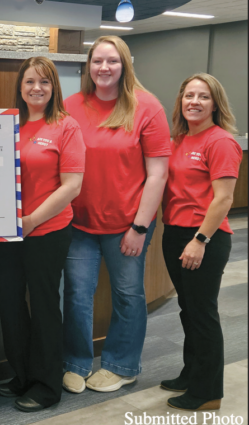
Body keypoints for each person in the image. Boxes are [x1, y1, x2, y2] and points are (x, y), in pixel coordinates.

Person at [62, 35, 171, 393]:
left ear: (125, 65)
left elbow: (158, 174)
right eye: (97, 61)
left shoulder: (147, 107)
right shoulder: (71, 105)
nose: (104, 67)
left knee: (127, 294)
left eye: (112, 61)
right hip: (79, 222)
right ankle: (75, 362)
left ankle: (122, 365)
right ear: (88, 66)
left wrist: (139, 227)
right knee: (76, 294)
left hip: (128, 223)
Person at [0, 57, 85, 412]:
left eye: (44, 82)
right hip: (8, 233)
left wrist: (31, 220)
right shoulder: (7, 124)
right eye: (30, 81)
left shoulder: (66, 126)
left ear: (54, 88)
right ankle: (23, 375)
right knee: (11, 305)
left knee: (45, 306)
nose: (36, 88)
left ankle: (47, 385)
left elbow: (72, 186)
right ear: (20, 86)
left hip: (47, 230)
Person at [160, 73, 241, 411]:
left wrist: (200, 239)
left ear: (215, 104)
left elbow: (224, 199)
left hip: (204, 236)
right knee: (188, 309)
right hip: (175, 232)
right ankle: (191, 372)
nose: (194, 101)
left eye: (203, 96)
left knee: (203, 313)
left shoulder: (220, 141)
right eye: (189, 95)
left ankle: (208, 392)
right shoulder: (178, 139)